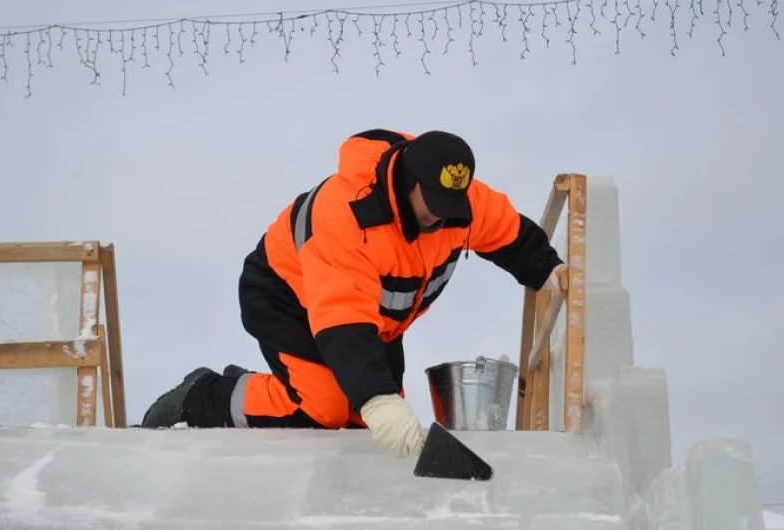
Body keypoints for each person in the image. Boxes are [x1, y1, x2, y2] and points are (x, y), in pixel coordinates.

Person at [139, 128, 566, 457]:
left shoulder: (459, 200)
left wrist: (552, 272)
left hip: (371, 321)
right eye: (431, 201)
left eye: (449, 205)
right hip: (287, 298)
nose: (439, 216)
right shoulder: (349, 217)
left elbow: (511, 236)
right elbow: (343, 320)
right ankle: (201, 393)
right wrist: (377, 399)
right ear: (407, 179)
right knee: (324, 409)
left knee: (366, 424)